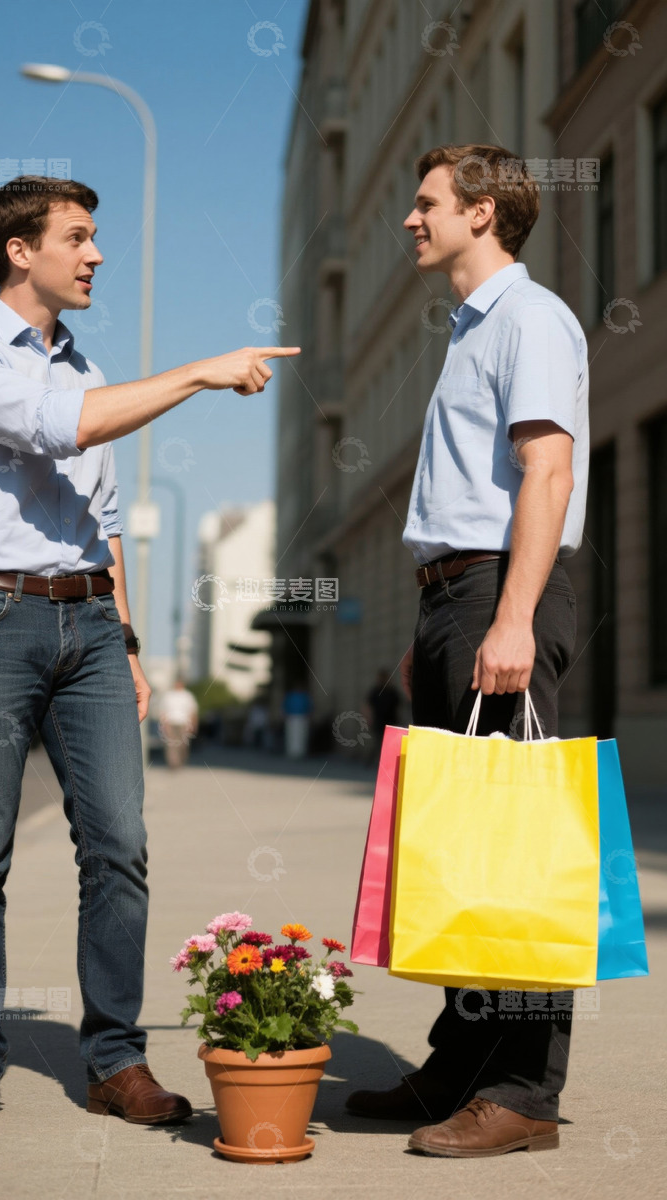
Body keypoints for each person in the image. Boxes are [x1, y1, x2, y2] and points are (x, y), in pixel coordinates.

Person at [0, 174, 299, 1136]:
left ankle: (114, 1059)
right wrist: (201, 372)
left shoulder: (88, 369)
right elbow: (59, 427)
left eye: (95, 238)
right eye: (78, 237)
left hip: (90, 623)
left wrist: (126, 641)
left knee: (119, 846)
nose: (96, 255)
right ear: (20, 251)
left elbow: (107, 520)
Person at [346, 145, 588, 1157]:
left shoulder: (530, 318)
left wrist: (509, 616)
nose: (410, 220)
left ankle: (524, 1093)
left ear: (481, 212)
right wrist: (435, 623)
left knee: (516, 848)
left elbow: (546, 472)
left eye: (426, 203)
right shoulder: (470, 329)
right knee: (458, 843)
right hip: (456, 596)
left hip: (498, 587)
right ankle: (459, 1065)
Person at [158, 679, 198, 768]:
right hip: (170, 723)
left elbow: (193, 711)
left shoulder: (188, 696)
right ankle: (173, 763)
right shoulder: (168, 696)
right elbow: (162, 711)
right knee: (171, 744)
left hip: (184, 723)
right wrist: (163, 724)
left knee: (183, 744)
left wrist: (194, 724)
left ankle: (181, 760)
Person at [364, 667, 401, 755]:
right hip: (379, 722)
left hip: (391, 722)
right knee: (379, 744)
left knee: (389, 744)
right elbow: (367, 706)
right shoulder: (375, 691)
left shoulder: (392, 692)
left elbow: (398, 706)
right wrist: (369, 719)